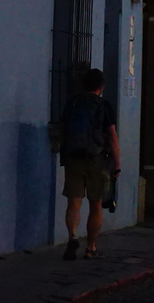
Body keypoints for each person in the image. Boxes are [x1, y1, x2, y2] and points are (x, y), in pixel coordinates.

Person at [59, 68, 119, 261]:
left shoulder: (73, 103)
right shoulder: (104, 105)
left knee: (73, 203)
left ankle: (73, 236)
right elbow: (112, 137)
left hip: (73, 159)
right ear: (101, 87)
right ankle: (91, 248)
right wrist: (117, 164)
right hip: (97, 160)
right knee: (96, 205)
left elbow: (64, 130)